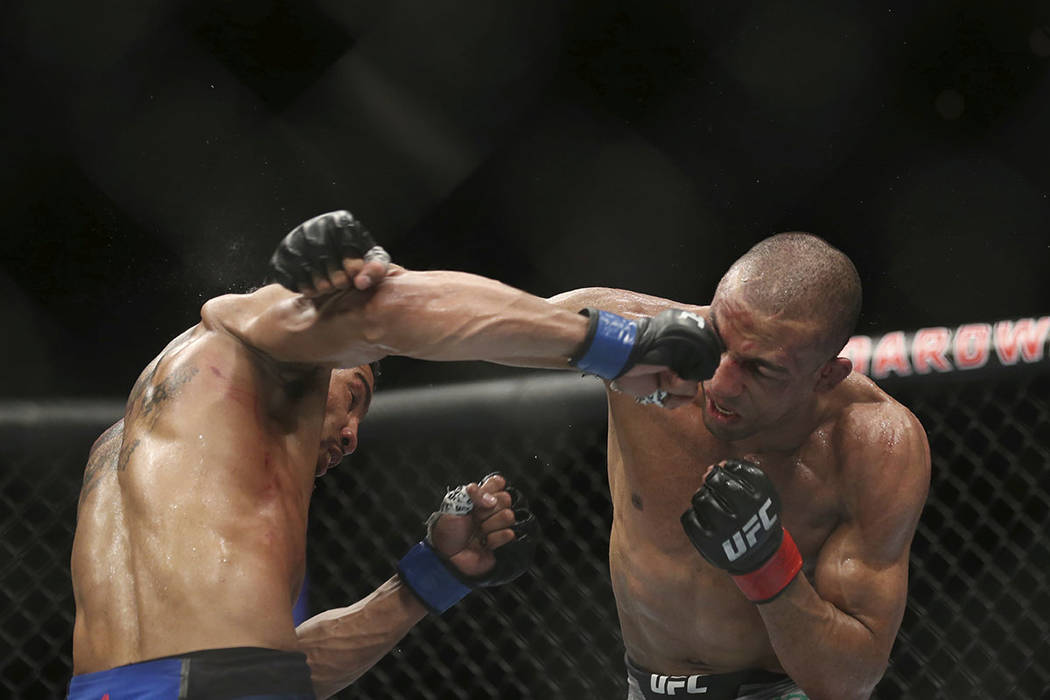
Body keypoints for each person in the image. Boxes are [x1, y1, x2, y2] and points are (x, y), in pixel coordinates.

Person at [69, 211, 722, 699]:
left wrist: (430, 577)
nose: (352, 434)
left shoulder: (122, 462)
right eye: (352, 392)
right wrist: (617, 345)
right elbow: (391, 308)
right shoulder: (253, 331)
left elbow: (259, 672)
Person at [546, 233, 931, 700]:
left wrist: (766, 564)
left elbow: (849, 680)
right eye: (718, 342)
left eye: (761, 369)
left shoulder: (873, 444)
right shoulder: (648, 341)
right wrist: (610, 343)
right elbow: (495, 325)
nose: (721, 384)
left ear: (826, 376)